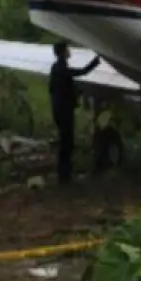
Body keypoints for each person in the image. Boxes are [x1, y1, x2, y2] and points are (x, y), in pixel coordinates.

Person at [48, 41, 101, 185]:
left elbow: (54, 89)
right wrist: (96, 61)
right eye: (67, 49)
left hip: (59, 110)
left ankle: (64, 174)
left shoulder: (56, 68)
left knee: (66, 141)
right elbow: (81, 72)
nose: (69, 51)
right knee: (67, 143)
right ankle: (64, 176)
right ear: (63, 52)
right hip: (64, 111)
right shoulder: (62, 68)